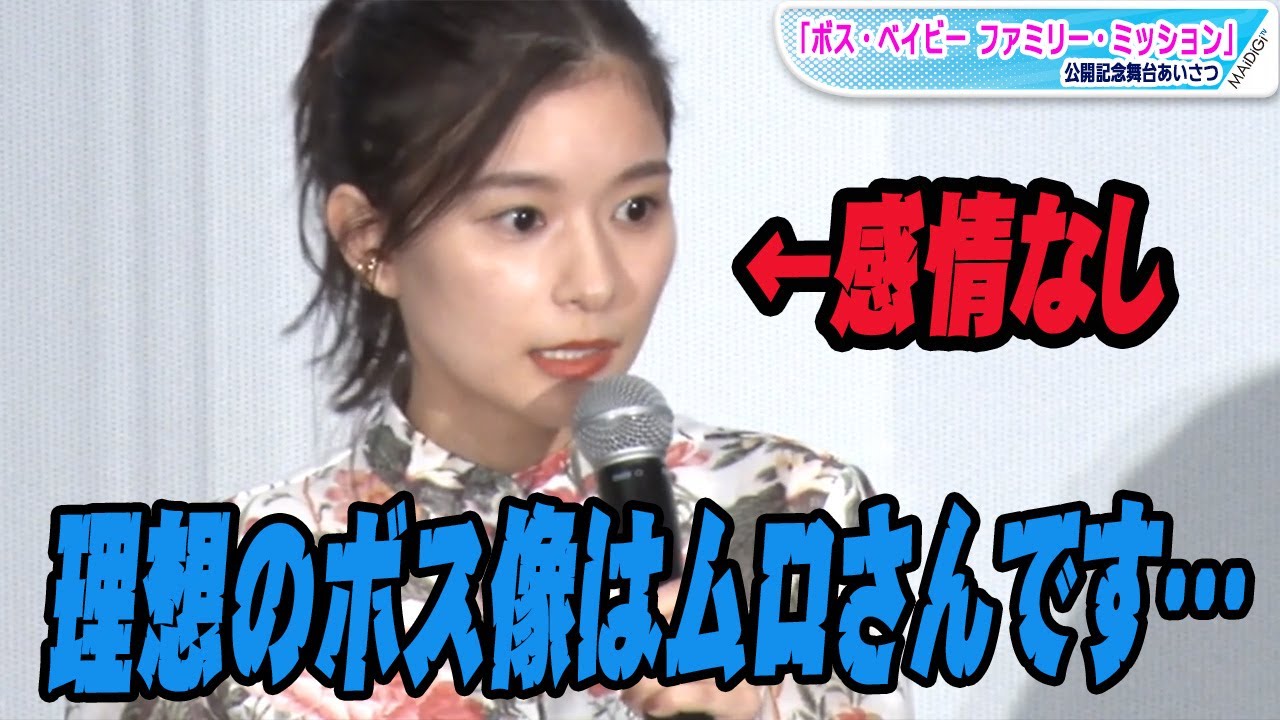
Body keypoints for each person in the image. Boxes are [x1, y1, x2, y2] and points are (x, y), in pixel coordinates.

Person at [102, 1, 913, 718]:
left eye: (636, 208)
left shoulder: (798, 517)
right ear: (370, 240)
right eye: (523, 218)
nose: (597, 282)